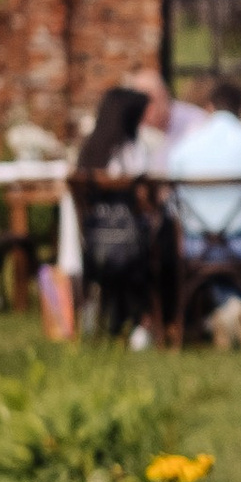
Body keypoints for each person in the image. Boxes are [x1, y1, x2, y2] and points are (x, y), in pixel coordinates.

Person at [171, 74, 241, 339]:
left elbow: (174, 207)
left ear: (209, 107)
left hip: (194, 247)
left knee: (219, 257)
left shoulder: (184, 148)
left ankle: (225, 310)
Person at [66, 85, 162, 343]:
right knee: (163, 242)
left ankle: (113, 319)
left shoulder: (89, 151)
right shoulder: (130, 152)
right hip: (130, 248)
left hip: (94, 245)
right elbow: (147, 203)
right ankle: (147, 324)